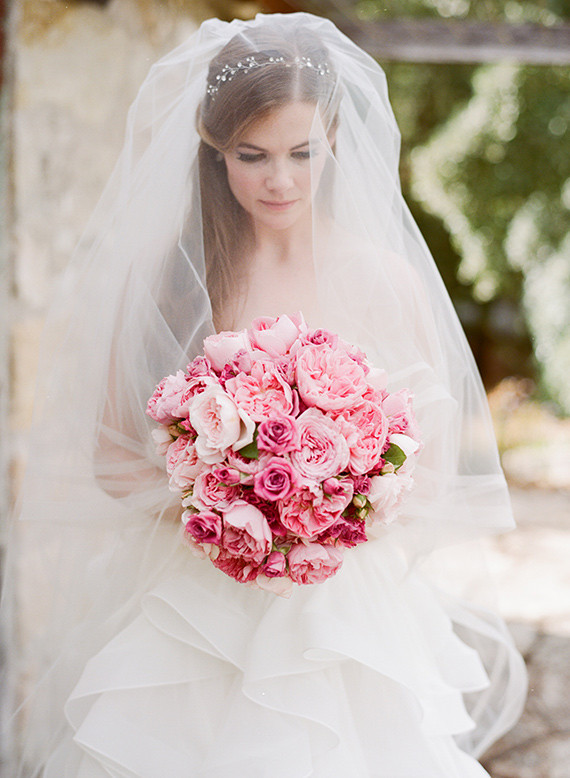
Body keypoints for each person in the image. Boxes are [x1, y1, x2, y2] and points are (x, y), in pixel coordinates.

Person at [1, 12, 526, 777]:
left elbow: (431, 467)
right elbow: (112, 460)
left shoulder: (385, 279)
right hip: (195, 612)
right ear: (215, 151)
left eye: (302, 153)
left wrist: (330, 511)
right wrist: (227, 503)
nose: (280, 179)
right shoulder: (169, 283)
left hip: (343, 617)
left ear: (334, 140)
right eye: (252, 156)